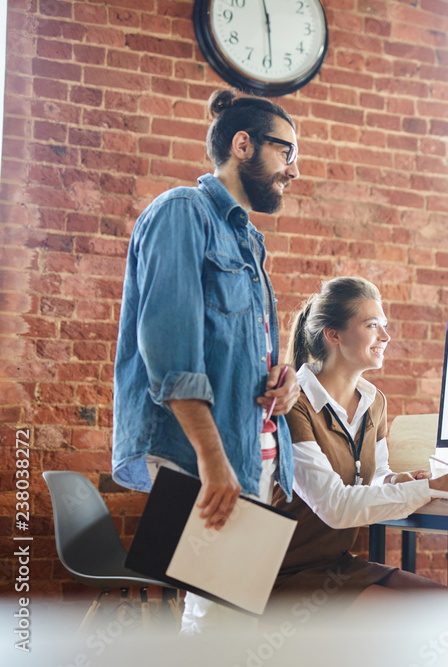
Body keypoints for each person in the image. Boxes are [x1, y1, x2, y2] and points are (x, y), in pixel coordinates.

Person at [112, 89, 302, 633]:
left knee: (228, 619)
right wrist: (211, 459)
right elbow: (169, 353)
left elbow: (243, 351)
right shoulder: (181, 213)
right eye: (286, 152)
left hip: (248, 451)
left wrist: (280, 386)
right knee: (215, 621)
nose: (293, 170)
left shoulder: (248, 241)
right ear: (243, 145)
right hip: (208, 454)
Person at [267, 277, 448, 611]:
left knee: (447, 605)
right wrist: (431, 487)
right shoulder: (294, 402)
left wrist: (396, 480)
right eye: (373, 325)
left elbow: (374, 474)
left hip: (336, 564)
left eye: (384, 326)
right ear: (334, 334)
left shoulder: (374, 402)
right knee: (415, 617)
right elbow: (334, 505)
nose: (385, 337)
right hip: (281, 573)